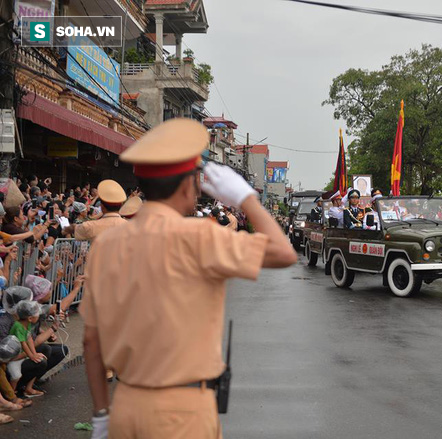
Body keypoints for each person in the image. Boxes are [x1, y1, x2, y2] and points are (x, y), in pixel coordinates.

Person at [80, 118, 297, 439]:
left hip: (125, 405)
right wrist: (246, 198)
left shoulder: (107, 245)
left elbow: (90, 342)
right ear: (187, 185)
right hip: (183, 412)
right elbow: (284, 252)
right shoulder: (199, 236)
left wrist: (101, 414)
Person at [8, 300, 47, 398]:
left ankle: (28, 389)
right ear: (30, 318)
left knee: (38, 363)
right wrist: (31, 356)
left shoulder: (27, 324)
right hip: (14, 356)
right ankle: (11, 395)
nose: (38, 316)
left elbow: (29, 339)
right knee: (16, 376)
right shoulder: (18, 326)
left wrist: (34, 354)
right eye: (37, 315)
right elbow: (23, 343)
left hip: (22, 354)